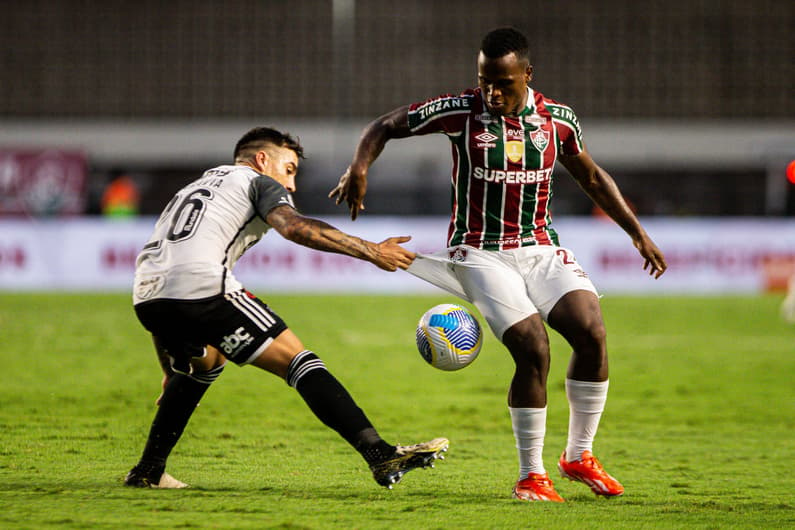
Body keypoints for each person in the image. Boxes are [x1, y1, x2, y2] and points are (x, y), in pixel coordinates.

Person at [329, 27, 667, 502]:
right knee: (533, 346)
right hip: (478, 251)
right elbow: (383, 125)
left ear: (527, 75)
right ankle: (531, 476)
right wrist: (360, 166)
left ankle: (579, 456)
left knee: (591, 331)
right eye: (486, 80)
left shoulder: (558, 120)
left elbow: (590, 175)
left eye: (504, 83)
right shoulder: (462, 111)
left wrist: (637, 233)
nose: (493, 92)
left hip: (540, 247)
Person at [124, 126, 448, 490]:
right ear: (262, 159)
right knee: (298, 361)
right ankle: (379, 454)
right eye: (289, 169)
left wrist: (168, 367)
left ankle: (148, 470)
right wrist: (371, 251)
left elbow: (167, 273)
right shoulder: (257, 182)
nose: (291, 185)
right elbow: (294, 228)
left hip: (146, 294)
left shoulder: (196, 186)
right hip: (201, 287)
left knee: (208, 362)